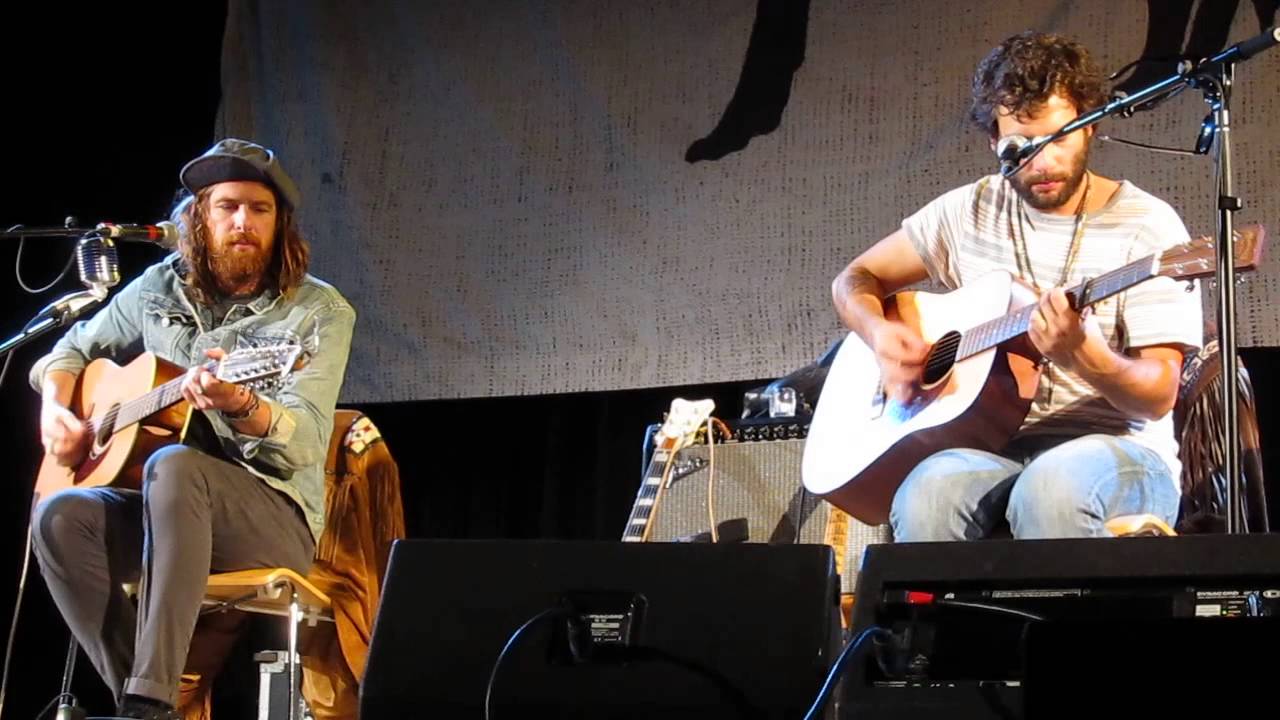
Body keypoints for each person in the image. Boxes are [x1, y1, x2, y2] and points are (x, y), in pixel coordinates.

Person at [830, 31, 1203, 542]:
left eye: (1060, 138)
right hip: (991, 449)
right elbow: (854, 279)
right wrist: (878, 333)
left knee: (1050, 489)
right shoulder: (969, 210)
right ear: (993, 142)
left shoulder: (1147, 225)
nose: (1042, 163)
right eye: (1020, 147)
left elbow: (1158, 396)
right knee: (927, 493)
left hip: (1119, 453)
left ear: (1090, 127)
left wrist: (1087, 358)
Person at [29, 138, 356, 719]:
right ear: (197, 219)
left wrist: (237, 402)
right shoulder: (160, 287)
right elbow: (68, 352)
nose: (243, 223)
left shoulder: (318, 312)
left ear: (281, 224)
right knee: (60, 516)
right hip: (166, 513)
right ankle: (147, 702)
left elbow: (306, 442)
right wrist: (56, 410)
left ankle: (148, 704)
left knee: (173, 464)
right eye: (227, 207)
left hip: (271, 518)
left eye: (260, 210)